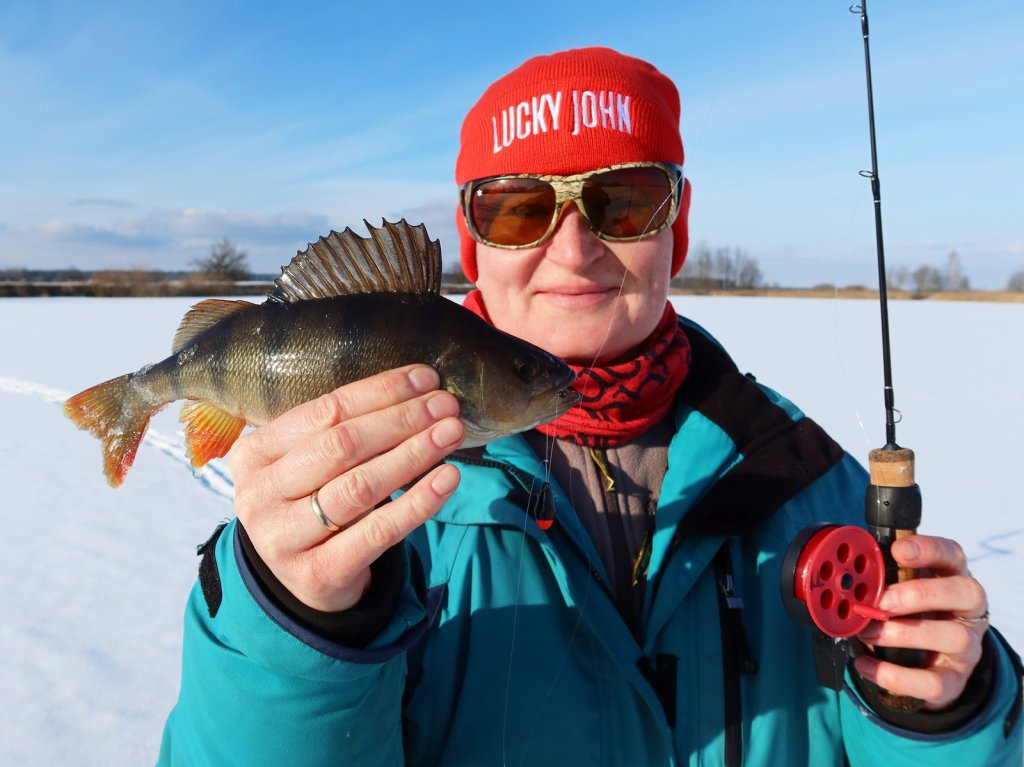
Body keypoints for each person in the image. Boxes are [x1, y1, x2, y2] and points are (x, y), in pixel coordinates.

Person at [158, 48, 1022, 766]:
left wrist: (945, 712)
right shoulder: (362, 490)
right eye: (519, 208)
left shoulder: (809, 481)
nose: (572, 248)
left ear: (673, 230)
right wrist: (290, 625)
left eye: (622, 200)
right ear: (474, 247)